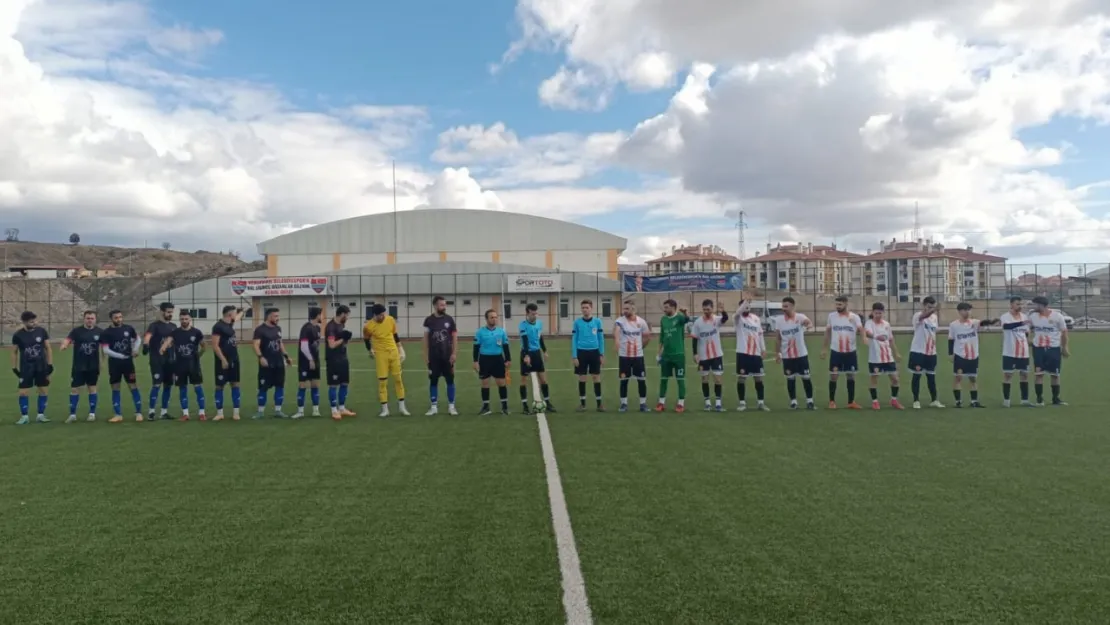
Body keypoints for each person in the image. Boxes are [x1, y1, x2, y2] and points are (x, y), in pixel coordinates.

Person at [948, 303, 998, 408]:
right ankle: (958, 401)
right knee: (958, 377)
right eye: (966, 310)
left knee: (973, 378)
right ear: (960, 311)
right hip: (960, 354)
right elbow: (951, 340)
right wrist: (950, 354)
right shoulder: (954, 325)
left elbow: (983, 323)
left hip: (973, 355)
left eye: (969, 310)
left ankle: (974, 401)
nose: (968, 312)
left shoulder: (974, 323)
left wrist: (992, 322)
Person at [769, 296, 815, 410]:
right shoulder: (779, 320)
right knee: (790, 378)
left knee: (806, 377)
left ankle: (810, 401)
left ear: (793, 306)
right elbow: (778, 338)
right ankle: (793, 401)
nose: (784, 309)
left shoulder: (800, 317)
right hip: (787, 355)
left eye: (786, 306)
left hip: (801, 354)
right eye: (783, 306)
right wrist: (777, 353)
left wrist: (809, 325)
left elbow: (807, 322)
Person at [364, 303, 409, 417]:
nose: (382, 317)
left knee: (398, 379)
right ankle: (385, 409)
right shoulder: (368, 326)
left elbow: (395, 335)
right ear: (374, 315)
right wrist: (370, 349)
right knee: (382, 382)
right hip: (381, 355)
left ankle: (402, 408)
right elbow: (366, 339)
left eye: (383, 314)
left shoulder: (390, 320)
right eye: (380, 315)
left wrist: (400, 348)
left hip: (393, 352)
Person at [100, 309, 144, 422]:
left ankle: (139, 413)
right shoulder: (106, 333)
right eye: (116, 317)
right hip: (114, 364)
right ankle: (118, 414)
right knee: (115, 387)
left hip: (128, 364)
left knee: (133, 385)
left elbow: (138, 339)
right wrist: (120, 356)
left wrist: (135, 349)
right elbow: (105, 350)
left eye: (120, 317)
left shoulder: (128, 328)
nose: (119, 319)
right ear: (111, 319)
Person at [820, 295, 863, 409]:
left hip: (850, 352)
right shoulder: (832, 316)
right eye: (836, 304)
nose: (837, 307)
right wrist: (824, 348)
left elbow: (860, 329)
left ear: (846, 304)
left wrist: (864, 338)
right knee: (834, 376)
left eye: (840, 304)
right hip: (836, 351)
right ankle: (832, 401)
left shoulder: (854, 317)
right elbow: (827, 332)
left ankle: (851, 402)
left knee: (851, 376)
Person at [11, 310, 53, 424]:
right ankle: (24, 416)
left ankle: (41, 415)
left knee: (43, 390)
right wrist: (14, 368)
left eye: (34, 321)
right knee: (23, 392)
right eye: (31, 322)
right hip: (26, 367)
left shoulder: (41, 331)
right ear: (24, 322)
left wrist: (50, 364)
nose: (34, 323)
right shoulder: (18, 335)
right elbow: (14, 352)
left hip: (41, 366)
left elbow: (48, 348)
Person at [61, 310, 102, 423]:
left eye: (92, 318)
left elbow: (105, 347)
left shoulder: (99, 332)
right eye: (88, 318)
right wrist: (64, 345)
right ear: (84, 319)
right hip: (78, 365)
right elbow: (68, 339)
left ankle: (92, 413)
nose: (90, 320)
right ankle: (72, 414)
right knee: (74, 389)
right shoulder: (76, 331)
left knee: (92, 388)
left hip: (93, 366)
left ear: (95, 319)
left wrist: (103, 362)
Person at [689, 299, 729, 411]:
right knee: (704, 379)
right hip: (703, 356)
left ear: (712, 309)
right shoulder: (698, 322)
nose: (706, 311)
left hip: (716, 355)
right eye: (704, 309)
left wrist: (723, 311)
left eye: (708, 309)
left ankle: (718, 403)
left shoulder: (716, 319)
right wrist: (695, 353)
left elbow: (725, 319)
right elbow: (694, 339)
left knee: (718, 379)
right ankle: (707, 403)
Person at [1029, 295, 1070, 406]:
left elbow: (1064, 332)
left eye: (1036, 304)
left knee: (1055, 375)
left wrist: (1065, 347)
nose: (1034, 306)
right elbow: (1027, 329)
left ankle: (1055, 399)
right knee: (1039, 374)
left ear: (1042, 305)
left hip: (1054, 349)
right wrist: (1028, 339)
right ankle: (1039, 399)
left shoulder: (1057, 316)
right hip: (1038, 349)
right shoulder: (1033, 316)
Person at [252, 308, 292, 418]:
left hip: (279, 363)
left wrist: (286, 356)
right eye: (275, 316)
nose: (278, 318)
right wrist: (261, 357)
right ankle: (260, 411)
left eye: (278, 316)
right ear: (269, 317)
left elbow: (280, 343)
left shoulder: (278, 328)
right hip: (266, 364)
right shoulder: (260, 330)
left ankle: (278, 411)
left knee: (280, 386)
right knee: (263, 387)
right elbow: (255, 345)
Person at [864, 302, 904, 410]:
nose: (878, 315)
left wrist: (896, 353)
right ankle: (875, 401)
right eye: (876, 313)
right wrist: (877, 337)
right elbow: (867, 333)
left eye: (880, 313)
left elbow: (891, 339)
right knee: (874, 379)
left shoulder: (886, 324)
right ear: (872, 312)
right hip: (875, 358)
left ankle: (894, 400)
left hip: (888, 357)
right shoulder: (869, 323)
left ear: (883, 313)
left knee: (895, 379)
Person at [423, 296, 458, 416]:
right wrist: (425, 355)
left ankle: (451, 406)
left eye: (445, 305)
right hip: (434, 357)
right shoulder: (429, 320)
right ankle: (433, 407)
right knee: (433, 381)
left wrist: (454, 353)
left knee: (450, 380)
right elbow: (426, 339)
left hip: (447, 356)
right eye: (441, 305)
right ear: (435, 305)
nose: (444, 307)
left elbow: (454, 337)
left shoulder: (450, 320)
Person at [613, 300, 651, 412]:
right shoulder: (620, 321)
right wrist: (617, 341)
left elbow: (647, 336)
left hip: (638, 357)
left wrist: (641, 347)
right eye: (624, 309)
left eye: (627, 309)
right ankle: (624, 404)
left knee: (641, 380)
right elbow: (617, 331)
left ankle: (643, 404)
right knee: (624, 380)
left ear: (633, 309)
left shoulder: (641, 322)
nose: (624, 311)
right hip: (624, 356)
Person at [734, 298, 770, 411]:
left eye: (749, 306)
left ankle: (760, 402)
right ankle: (742, 403)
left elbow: (760, 334)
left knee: (758, 378)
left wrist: (763, 349)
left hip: (755, 353)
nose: (747, 308)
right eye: (745, 306)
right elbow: (737, 313)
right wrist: (744, 303)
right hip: (743, 353)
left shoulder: (756, 319)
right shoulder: (738, 319)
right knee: (742, 378)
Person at [908, 296, 944, 409]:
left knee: (931, 377)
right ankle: (916, 400)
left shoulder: (934, 318)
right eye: (929, 307)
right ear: (924, 306)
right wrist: (933, 310)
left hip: (931, 352)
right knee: (917, 376)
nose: (930, 309)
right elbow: (924, 316)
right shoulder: (918, 316)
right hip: (918, 352)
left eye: (932, 307)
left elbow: (934, 331)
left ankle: (934, 400)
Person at [655, 299, 690, 412]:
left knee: (680, 379)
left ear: (673, 307)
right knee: (663, 379)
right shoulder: (663, 319)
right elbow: (662, 337)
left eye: (667, 307)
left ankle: (680, 403)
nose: (664, 310)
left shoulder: (679, 317)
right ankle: (661, 403)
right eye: (664, 307)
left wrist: (685, 313)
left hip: (678, 355)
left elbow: (686, 320)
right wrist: (658, 353)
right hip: (666, 356)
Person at [518, 303, 554, 413]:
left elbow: (540, 337)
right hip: (526, 353)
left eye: (536, 313)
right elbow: (524, 341)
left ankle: (548, 403)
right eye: (532, 313)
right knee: (524, 380)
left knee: (543, 379)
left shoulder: (539, 324)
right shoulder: (523, 325)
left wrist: (544, 351)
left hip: (537, 354)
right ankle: (524, 406)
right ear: (527, 313)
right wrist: (527, 355)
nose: (534, 315)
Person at [998, 296, 1034, 407]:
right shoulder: (1005, 317)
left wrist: (1028, 340)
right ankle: (1006, 401)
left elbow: (1026, 331)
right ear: (1011, 305)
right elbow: (1007, 327)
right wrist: (1021, 323)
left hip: (1023, 352)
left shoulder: (1024, 316)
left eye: (1021, 304)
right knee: (1008, 375)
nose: (1020, 306)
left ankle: (1024, 400)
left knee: (1024, 375)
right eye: (1018, 304)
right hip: (1010, 352)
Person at [474, 309, 511, 415]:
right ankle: (486, 407)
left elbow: (505, 346)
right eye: (492, 317)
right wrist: (475, 361)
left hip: (498, 359)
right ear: (486, 319)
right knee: (485, 383)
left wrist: (508, 359)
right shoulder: (480, 332)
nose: (494, 319)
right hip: (484, 359)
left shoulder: (501, 331)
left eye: (495, 317)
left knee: (501, 383)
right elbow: (476, 347)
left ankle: (504, 407)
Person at [211, 305, 245, 421]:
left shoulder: (230, 323)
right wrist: (223, 360)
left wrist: (243, 311)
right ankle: (220, 413)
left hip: (234, 359)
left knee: (235, 384)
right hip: (222, 361)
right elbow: (215, 345)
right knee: (219, 386)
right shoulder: (218, 326)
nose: (236, 316)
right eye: (234, 313)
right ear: (230, 315)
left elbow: (238, 317)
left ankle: (236, 413)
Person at [143, 302, 177, 420]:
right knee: (156, 385)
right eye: (168, 312)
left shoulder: (173, 326)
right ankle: (151, 411)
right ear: (162, 312)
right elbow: (148, 336)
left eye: (171, 312)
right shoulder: (155, 325)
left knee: (168, 386)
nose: (170, 314)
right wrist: (146, 344)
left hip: (170, 361)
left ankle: (164, 412)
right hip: (157, 360)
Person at [171, 310, 206, 420]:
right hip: (180, 366)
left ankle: (202, 413)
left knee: (197, 388)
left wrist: (198, 356)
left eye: (186, 319)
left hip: (193, 365)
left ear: (190, 319)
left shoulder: (196, 332)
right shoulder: (175, 333)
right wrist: (164, 347)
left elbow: (204, 346)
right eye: (182, 319)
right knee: (182, 389)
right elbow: (169, 342)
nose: (184, 321)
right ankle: (185, 414)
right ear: (179, 319)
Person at [571, 299, 605, 412]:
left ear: (591, 308)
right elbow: (574, 339)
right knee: (582, 377)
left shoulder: (597, 322)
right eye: (583, 307)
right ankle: (583, 404)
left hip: (594, 352)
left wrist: (601, 354)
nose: (585, 309)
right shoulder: (577, 322)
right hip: (581, 352)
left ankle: (599, 404)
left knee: (596, 377)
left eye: (587, 307)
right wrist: (574, 356)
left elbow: (601, 338)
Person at [324, 305, 356, 419]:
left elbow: (343, 343)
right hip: (333, 360)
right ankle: (334, 410)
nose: (347, 318)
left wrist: (346, 340)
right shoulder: (330, 327)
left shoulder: (341, 325)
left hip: (343, 358)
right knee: (333, 385)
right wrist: (343, 338)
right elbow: (331, 345)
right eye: (347, 315)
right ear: (342, 314)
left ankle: (342, 408)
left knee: (344, 383)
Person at [295, 307, 324, 419]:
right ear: (317, 315)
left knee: (315, 384)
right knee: (303, 385)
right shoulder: (306, 328)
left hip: (315, 361)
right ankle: (300, 411)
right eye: (320, 315)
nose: (321, 317)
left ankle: (315, 410)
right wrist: (310, 359)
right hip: (305, 361)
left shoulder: (317, 328)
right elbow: (303, 346)